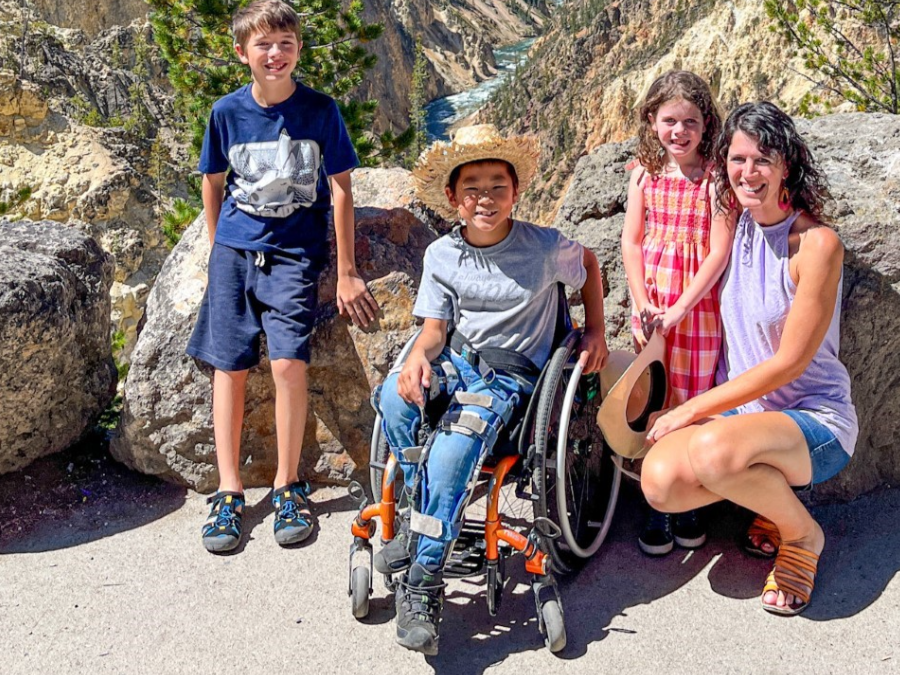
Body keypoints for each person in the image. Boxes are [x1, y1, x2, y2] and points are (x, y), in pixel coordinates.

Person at [375, 124, 609, 655]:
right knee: (394, 396)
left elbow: (590, 266)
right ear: (454, 198)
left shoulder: (544, 247)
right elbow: (434, 333)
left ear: (515, 192)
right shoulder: (441, 255)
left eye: (497, 185)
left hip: (510, 379)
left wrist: (593, 330)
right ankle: (422, 523)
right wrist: (415, 362)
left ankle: (424, 579)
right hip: (457, 362)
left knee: (457, 442)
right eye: (473, 187)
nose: (486, 197)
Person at [640, 101, 858, 616]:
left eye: (763, 159)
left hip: (813, 423)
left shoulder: (816, 245)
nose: (748, 172)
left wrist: (689, 410)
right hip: (743, 419)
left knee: (714, 451)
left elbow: (788, 365)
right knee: (659, 483)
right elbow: (671, 180)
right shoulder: (733, 225)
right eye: (738, 160)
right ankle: (767, 496)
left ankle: (801, 534)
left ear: (788, 165)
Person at [189, 0, 378, 553]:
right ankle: (229, 492)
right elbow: (212, 179)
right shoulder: (227, 112)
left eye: (286, 43)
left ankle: (287, 484)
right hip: (235, 255)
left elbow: (341, 188)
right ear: (241, 52)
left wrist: (346, 272)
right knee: (230, 367)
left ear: (298, 48)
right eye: (263, 45)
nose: (275, 54)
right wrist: (218, 245)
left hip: (294, 255)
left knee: (289, 362)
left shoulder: (321, 110)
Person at [621, 70, 735, 556]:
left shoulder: (715, 179)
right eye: (669, 120)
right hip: (652, 308)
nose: (679, 131)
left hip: (698, 307)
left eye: (690, 121)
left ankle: (689, 498)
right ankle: (658, 498)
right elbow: (631, 240)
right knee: (654, 397)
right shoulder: (644, 176)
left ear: (706, 125)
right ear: (652, 121)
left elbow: (718, 251)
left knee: (693, 399)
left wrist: (682, 306)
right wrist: (643, 301)